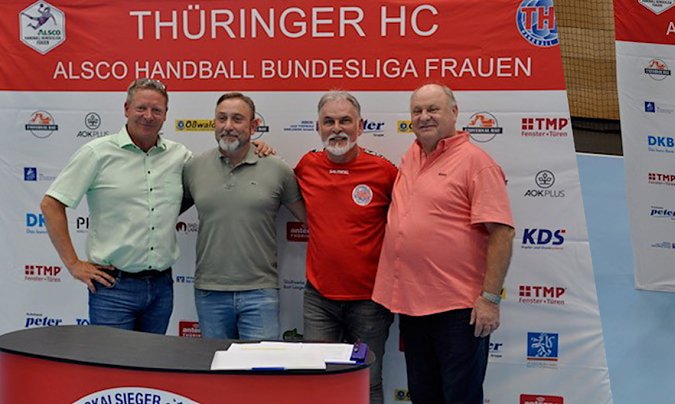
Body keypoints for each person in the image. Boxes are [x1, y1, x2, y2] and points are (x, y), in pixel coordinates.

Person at [372, 83, 515, 403]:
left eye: (432, 109)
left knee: (460, 397)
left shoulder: (477, 163)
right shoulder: (411, 156)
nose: (424, 117)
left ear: (453, 112)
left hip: (459, 310)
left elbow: (502, 232)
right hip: (412, 305)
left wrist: (490, 299)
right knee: (424, 395)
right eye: (417, 111)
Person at [40, 78, 188, 334]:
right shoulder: (97, 153)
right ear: (126, 109)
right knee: (111, 371)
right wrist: (73, 264)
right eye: (141, 108)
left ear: (165, 115)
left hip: (162, 287)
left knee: (152, 368)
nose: (148, 116)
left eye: (157, 110)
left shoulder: (179, 156)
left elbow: (216, 170)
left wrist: (254, 147)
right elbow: (51, 204)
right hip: (113, 288)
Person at [294, 91, 396, 403]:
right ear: (318, 127)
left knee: (368, 383)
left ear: (360, 126)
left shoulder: (384, 172)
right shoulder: (307, 165)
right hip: (319, 299)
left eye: (345, 121)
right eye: (329, 121)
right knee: (317, 382)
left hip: (369, 302)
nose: (337, 128)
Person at [181, 92, 305, 340]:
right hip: (209, 292)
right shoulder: (194, 167)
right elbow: (161, 214)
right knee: (216, 374)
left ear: (254, 125)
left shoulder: (276, 168)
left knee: (259, 376)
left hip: (260, 293)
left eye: (237, 119)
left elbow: (312, 220)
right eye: (221, 118)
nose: (228, 126)